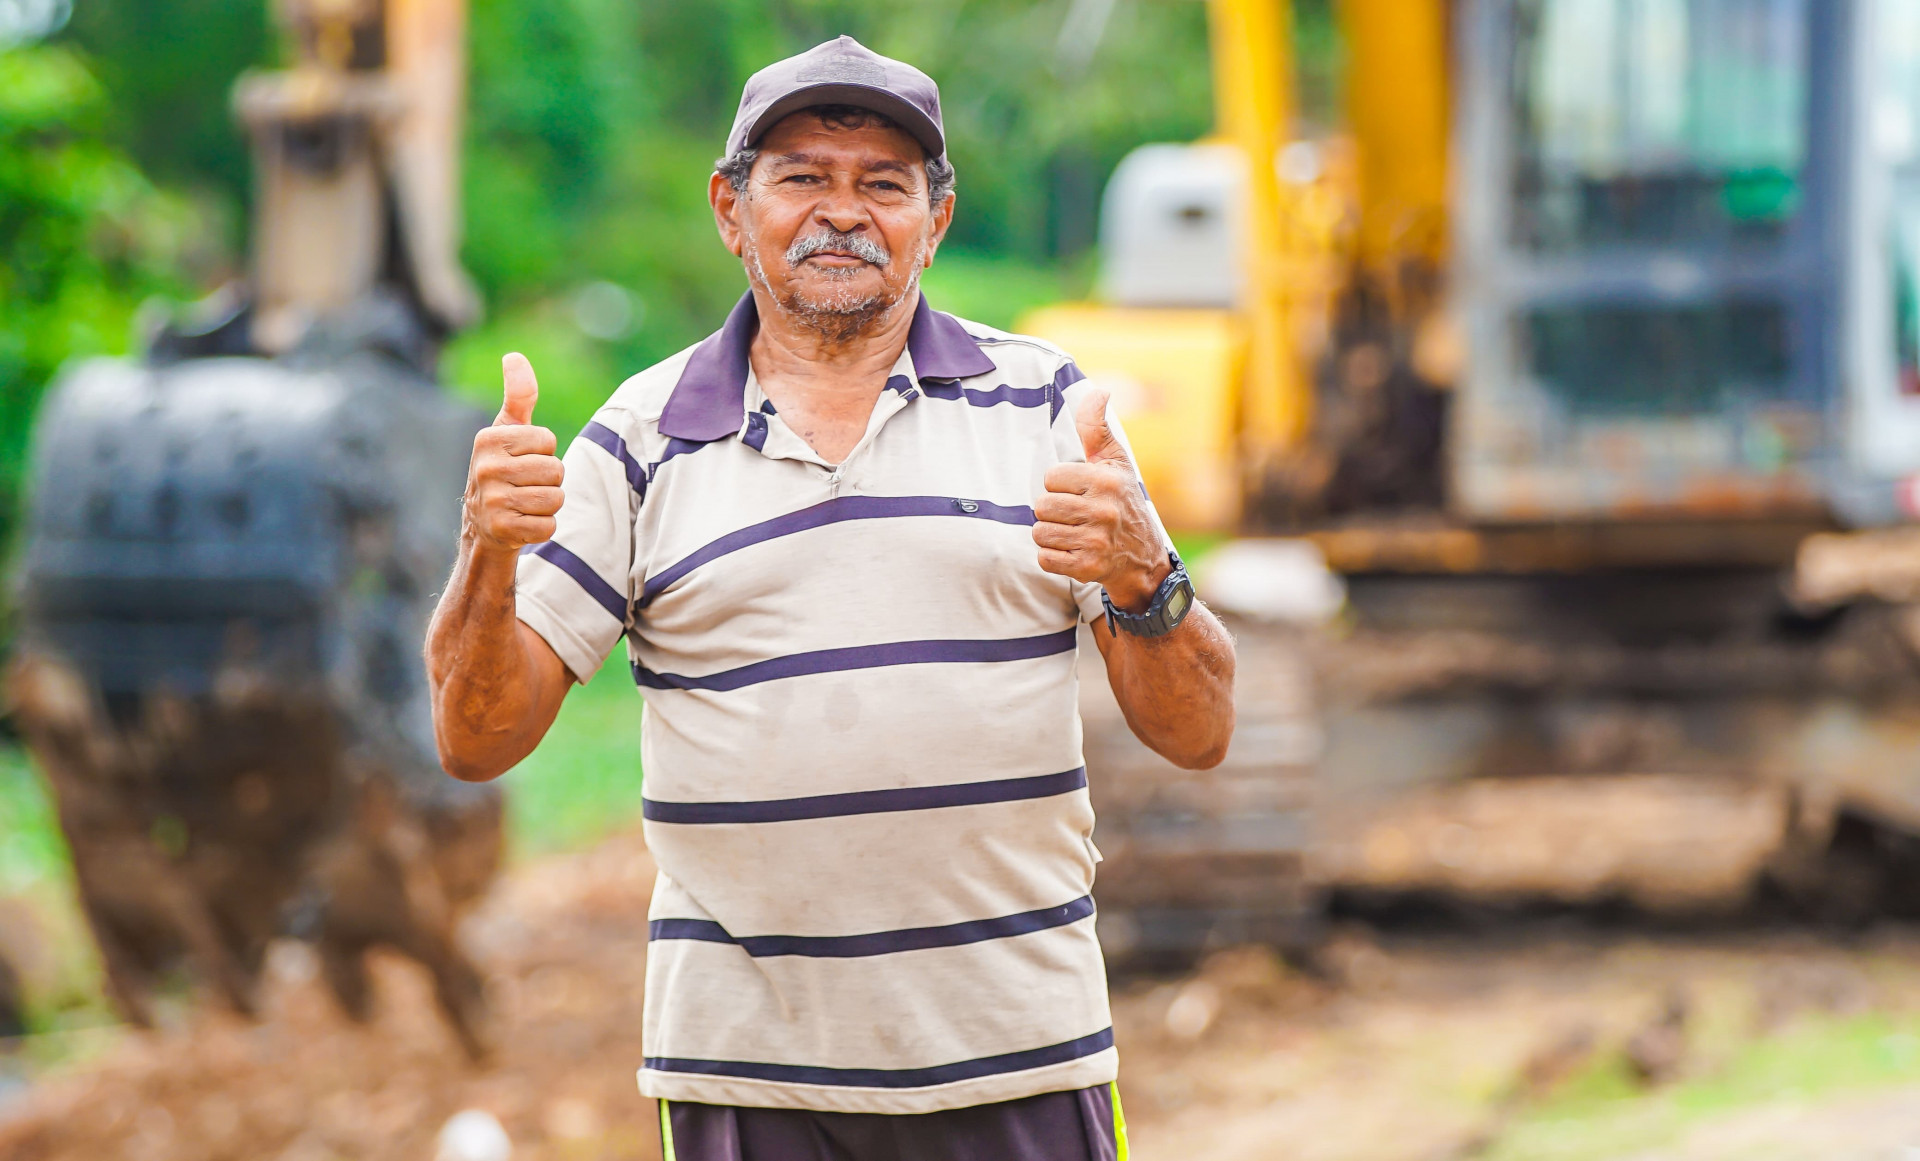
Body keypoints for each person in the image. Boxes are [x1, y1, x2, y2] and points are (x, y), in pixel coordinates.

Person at [426, 35, 1235, 1161]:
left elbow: (1199, 732)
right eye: (803, 177)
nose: (842, 213)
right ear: (731, 207)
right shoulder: (638, 439)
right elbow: (477, 739)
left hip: (1020, 1055)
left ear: (935, 220)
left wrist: (1145, 570)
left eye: (883, 185)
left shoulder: (1050, 408)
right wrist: (487, 551)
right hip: (748, 1079)